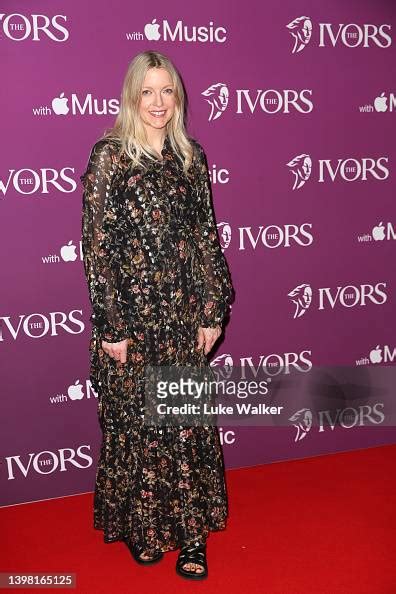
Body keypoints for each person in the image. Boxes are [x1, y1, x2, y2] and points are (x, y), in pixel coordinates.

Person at [80, 50, 235, 580]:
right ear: (132, 96)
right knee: (140, 428)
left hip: (183, 317)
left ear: (178, 96)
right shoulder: (110, 158)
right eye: (147, 91)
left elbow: (206, 241)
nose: (158, 102)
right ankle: (144, 530)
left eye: (167, 90)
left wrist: (213, 308)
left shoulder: (191, 158)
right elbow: (96, 250)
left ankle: (193, 539)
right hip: (133, 319)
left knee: (186, 426)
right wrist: (112, 326)